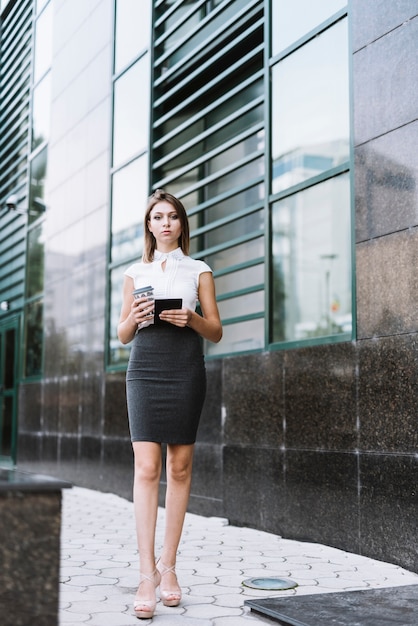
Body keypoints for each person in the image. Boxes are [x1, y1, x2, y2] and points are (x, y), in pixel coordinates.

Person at [117, 189, 222, 619]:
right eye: (157, 217)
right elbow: (121, 334)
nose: (165, 223)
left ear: (182, 224)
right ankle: (147, 574)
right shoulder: (132, 271)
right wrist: (136, 319)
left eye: (172, 216)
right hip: (144, 369)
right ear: (148, 225)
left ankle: (170, 566)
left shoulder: (200, 270)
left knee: (179, 467)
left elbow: (215, 330)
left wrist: (191, 319)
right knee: (147, 467)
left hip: (184, 368)